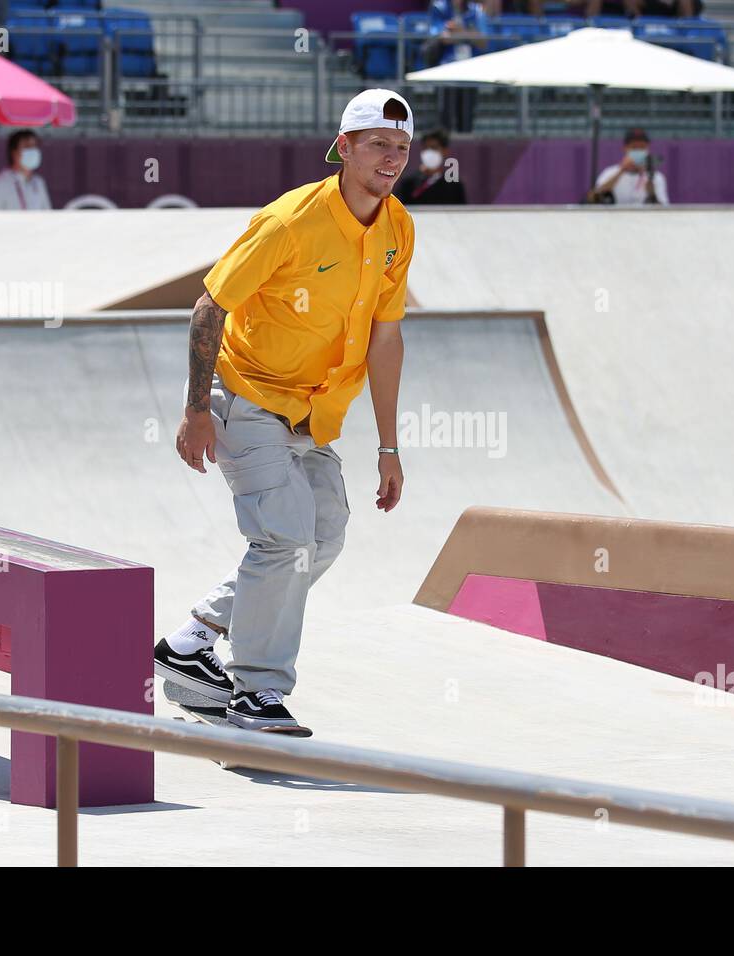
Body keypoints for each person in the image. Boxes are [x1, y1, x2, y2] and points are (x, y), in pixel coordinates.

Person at [159, 89, 414, 734]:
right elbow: (209, 306)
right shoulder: (289, 221)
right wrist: (195, 409)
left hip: (313, 415)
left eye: (402, 148)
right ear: (345, 147)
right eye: (378, 144)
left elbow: (386, 338)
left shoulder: (397, 229)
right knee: (284, 537)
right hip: (246, 398)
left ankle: (193, 639)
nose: (392, 158)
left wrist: (388, 446)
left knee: (322, 536)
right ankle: (257, 693)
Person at [426, 0, 489, 133]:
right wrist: (469, 34)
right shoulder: (439, 7)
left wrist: (459, 31)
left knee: (466, 118)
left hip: (470, 72)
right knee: (446, 117)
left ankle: (465, 151)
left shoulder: (476, 10)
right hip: (446, 71)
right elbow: (443, 37)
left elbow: (483, 41)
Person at [590, 128, 669, 205]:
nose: (638, 151)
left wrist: (650, 189)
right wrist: (622, 170)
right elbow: (594, 199)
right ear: (625, 148)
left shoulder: (655, 176)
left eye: (642, 147)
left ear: (647, 149)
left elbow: (662, 209)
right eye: (634, 147)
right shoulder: (610, 172)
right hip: (615, 217)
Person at [0, 130, 52, 211]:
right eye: (27, 146)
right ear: (14, 152)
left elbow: (47, 215)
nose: (32, 151)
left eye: (34, 146)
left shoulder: (39, 183)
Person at [396, 129, 468, 205]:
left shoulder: (454, 185)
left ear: (445, 151)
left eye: (434, 148)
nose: (429, 152)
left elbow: (461, 213)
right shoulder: (408, 183)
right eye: (426, 148)